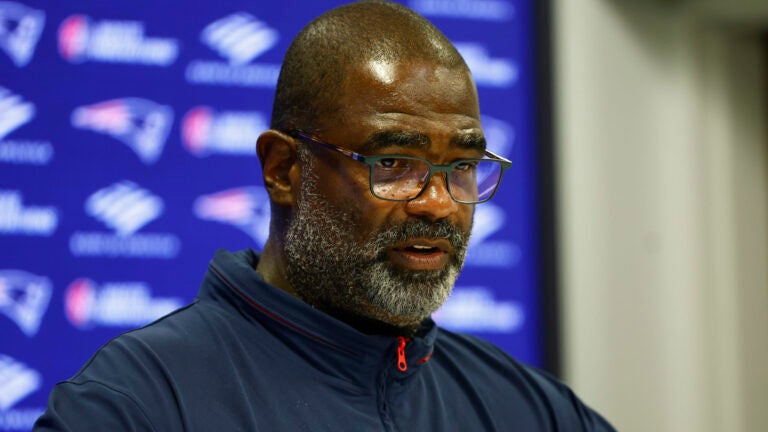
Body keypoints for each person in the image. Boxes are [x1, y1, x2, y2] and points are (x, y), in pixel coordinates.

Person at [35, 1, 616, 430]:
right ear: (284, 169)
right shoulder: (133, 405)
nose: (437, 202)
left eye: (461, 166)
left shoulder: (532, 411)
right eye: (394, 162)